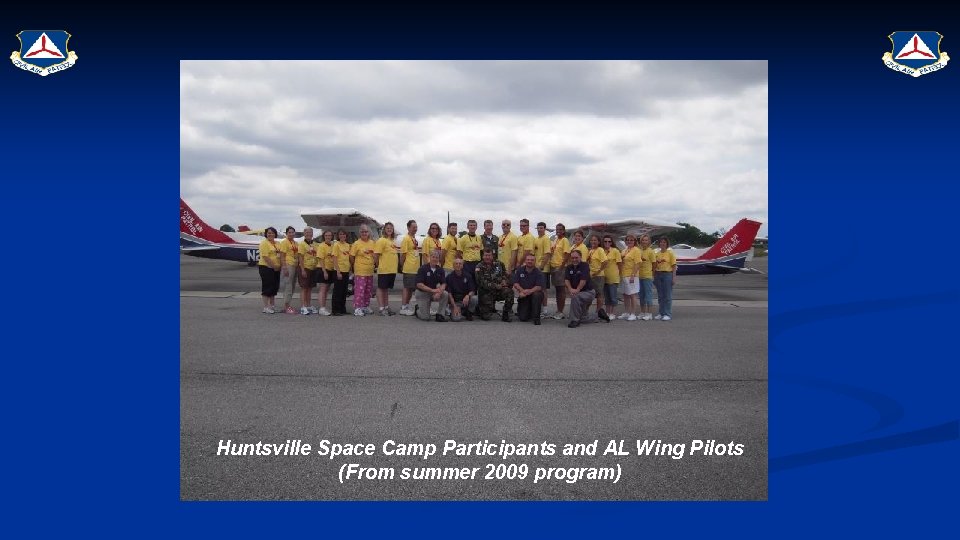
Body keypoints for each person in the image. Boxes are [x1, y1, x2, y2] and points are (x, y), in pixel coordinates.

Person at [565, 249, 607, 327]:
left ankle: (574, 320)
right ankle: (599, 315)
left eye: (576, 258)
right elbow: (567, 280)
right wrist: (570, 289)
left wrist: (576, 290)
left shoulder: (585, 266)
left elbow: (583, 280)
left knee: (575, 297)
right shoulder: (568, 267)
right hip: (579, 292)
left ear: (580, 257)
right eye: (572, 258)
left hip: (588, 292)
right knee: (583, 319)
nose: (574, 260)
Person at [475, 248, 514, 322]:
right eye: (486, 255)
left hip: (499, 291)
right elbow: (480, 282)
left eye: (489, 255)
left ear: (492, 256)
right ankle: (480, 309)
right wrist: (496, 286)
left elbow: (505, 275)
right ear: (483, 256)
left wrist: (505, 281)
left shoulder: (499, 264)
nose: (487, 257)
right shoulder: (479, 267)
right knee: (486, 317)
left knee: (509, 292)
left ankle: (506, 314)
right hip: (486, 293)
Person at [414, 250, 449, 322]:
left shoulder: (440, 270)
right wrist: (433, 290)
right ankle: (417, 309)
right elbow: (419, 285)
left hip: (434, 292)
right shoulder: (422, 269)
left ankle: (440, 315)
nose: (435, 259)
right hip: (422, 293)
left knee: (445, 294)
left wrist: (439, 293)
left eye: (437, 257)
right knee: (425, 317)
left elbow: (444, 283)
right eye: (433, 257)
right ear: (430, 257)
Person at [350, 225, 376, 317]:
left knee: (368, 290)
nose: (364, 233)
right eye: (362, 232)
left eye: (366, 232)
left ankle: (365, 306)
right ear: (360, 233)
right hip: (360, 271)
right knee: (359, 290)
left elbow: (374, 255)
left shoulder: (372, 243)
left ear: (369, 233)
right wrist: (355, 266)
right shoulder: (356, 244)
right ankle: (358, 308)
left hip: (369, 271)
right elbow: (352, 257)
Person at [373, 222, 399, 316]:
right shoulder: (381, 240)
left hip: (392, 270)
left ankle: (386, 307)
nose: (389, 229)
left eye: (391, 228)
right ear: (384, 230)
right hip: (384, 269)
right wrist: (377, 265)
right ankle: (381, 308)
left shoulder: (392, 241)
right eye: (387, 228)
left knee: (386, 289)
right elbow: (376, 255)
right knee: (381, 288)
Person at [547, 223, 571, 319]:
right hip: (553, 267)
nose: (558, 231)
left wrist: (561, 267)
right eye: (557, 229)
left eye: (560, 230)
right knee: (557, 290)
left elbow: (566, 254)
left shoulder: (564, 240)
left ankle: (560, 311)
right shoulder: (556, 239)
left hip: (560, 268)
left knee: (561, 290)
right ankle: (558, 310)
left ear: (564, 231)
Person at [512, 254, 544, 325]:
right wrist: (522, 291)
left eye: (532, 260)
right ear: (525, 261)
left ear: (535, 261)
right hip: (523, 295)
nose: (530, 261)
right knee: (523, 318)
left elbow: (539, 286)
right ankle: (529, 310)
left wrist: (528, 292)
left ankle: (536, 318)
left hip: (534, 294)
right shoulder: (520, 270)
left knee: (537, 295)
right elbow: (515, 283)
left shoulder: (538, 272)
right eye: (528, 260)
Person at [257, 227, 282, 313]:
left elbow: (280, 254)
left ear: (275, 234)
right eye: (269, 233)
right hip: (266, 268)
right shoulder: (264, 243)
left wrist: (279, 266)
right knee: (267, 287)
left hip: (276, 269)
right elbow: (265, 257)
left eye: (272, 233)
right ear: (266, 234)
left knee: (274, 287)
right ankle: (266, 307)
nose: (270, 234)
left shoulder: (278, 243)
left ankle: (272, 305)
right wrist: (274, 266)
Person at [398, 220, 420, 315]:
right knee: (407, 288)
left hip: (415, 268)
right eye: (413, 227)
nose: (415, 229)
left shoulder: (414, 238)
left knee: (411, 288)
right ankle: (403, 307)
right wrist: (402, 266)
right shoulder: (406, 239)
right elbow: (403, 255)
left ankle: (406, 305)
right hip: (409, 268)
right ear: (408, 228)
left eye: (416, 227)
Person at [653, 237, 678, 321]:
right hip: (658, 274)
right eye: (661, 242)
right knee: (660, 295)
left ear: (667, 244)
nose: (662, 244)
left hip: (667, 274)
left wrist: (674, 277)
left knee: (667, 295)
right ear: (659, 244)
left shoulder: (670, 253)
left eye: (664, 242)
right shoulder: (657, 253)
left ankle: (667, 313)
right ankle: (661, 312)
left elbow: (674, 266)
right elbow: (655, 266)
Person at [586, 234, 609, 320]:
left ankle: (598, 312)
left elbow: (605, 262)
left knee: (599, 294)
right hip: (591, 275)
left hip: (598, 276)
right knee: (590, 293)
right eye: (592, 240)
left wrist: (598, 271)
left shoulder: (600, 250)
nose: (593, 242)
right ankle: (586, 312)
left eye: (595, 240)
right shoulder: (591, 250)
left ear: (599, 242)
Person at [619, 234, 641, 321]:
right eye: (627, 240)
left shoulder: (636, 250)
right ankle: (627, 312)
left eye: (631, 240)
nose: (629, 241)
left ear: (635, 241)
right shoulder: (624, 250)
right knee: (625, 295)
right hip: (624, 275)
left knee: (632, 294)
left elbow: (638, 263)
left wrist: (633, 275)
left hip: (632, 276)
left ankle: (633, 313)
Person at [297, 227, 319, 315]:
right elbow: (300, 258)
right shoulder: (302, 244)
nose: (308, 234)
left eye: (310, 232)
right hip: (305, 268)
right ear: (304, 234)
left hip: (313, 268)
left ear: (312, 234)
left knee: (310, 288)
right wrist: (302, 270)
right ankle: (303, 306)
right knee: (304, 288)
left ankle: (308, 305)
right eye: (306, 232)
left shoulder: (315, 244)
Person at [278, 225, 300, 313]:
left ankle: (288, 304)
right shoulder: (284, 242)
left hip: (294, 265)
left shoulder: (295, 243)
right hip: (288, 265)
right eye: (289, 232)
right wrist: (284, 267)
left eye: (292, 232)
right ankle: (286, 306)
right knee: (288, 285)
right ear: (286, 234)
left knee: (293, 285)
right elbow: (282, 255)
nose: (291, 234)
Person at [330, 229, 352, 316]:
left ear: (346, 235)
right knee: (337, 291)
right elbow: (334, 258)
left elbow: (348, 258)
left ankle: (343, 309)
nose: (342, 236)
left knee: (344, 291)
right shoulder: (336, 245)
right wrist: (338, 271)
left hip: (346, 271)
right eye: (340, 234)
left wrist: (350, 269)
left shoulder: (347, 245)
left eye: (344, 234)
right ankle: (335, 310)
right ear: (338, 236)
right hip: (339, 271)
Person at [601, 233, 623, 321]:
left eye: (609, 241)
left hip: (613, 277)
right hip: (604, 277)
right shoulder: (601, 251)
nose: (607, 243)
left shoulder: (615, 251)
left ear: (611, 242)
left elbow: (620, 264)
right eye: (605, 241)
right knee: (606, 296)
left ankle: (612, 313)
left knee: (613, 296)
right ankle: (607, 312)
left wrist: (619, 275)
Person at [315, 230, 335, 316]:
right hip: (323, 269)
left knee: (326, 290)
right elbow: (321, 259)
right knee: (323, 289)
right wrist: (324, 271)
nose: (328, 237)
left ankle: (323, 306)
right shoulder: (321, 246)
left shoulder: (332, 245)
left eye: (329, 235)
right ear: (324, 236)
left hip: (330, 269)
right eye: (326, 235)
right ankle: (321, 308)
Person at [534, 221, 552, 315]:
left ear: (545, 229)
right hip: (536, 268)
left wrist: (541, 266)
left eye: (541, 228)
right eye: (538, 228)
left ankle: (545, 310)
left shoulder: (546, 239)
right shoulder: (536, 239)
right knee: (537, 289)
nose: (540, 230)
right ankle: (539, 308)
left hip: (543, 269)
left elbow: (547, 253)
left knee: (543, 289)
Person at [638, 234, 657, 321]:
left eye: (646, 240)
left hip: (647, 276)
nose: (644, 242)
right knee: (641, 295)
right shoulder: (639, 251)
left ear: (649, 241)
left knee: (648, 295)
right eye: (643, 240)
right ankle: (642, 312)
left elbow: (654, 264)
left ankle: (649, 313)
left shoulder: (651, 251)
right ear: (640, 241)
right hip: (639, 276)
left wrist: (653, 275)